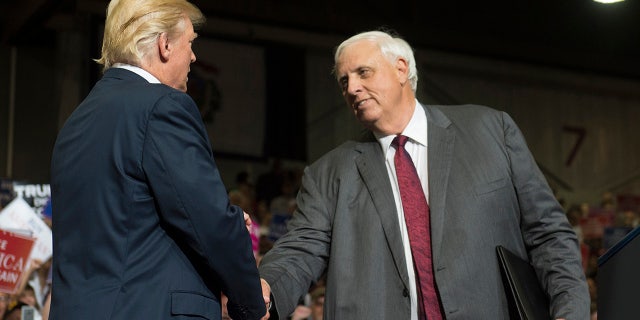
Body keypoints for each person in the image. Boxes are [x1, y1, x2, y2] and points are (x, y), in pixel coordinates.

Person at [258, 30, 590, 319]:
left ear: (401, 68)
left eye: (363, 73)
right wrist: (263, 286)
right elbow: (300, 249)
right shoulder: (328, 173)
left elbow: (547, 233)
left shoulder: (492, 131)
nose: (352, 88)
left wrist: (569, 310)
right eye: (345, 81)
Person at [49, 0, 267, 319]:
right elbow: (209, 221)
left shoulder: (75, 123)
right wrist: (250, 304)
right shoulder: (163, 106)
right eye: (190, 42)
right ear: (165, 44)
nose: (193, 56)